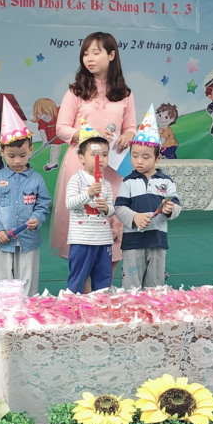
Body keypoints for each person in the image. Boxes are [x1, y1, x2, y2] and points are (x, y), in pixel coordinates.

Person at [51, 32, 137, 281]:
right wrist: (88, 133)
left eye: (96, 52)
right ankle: (85, 292)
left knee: (112, 221)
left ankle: (104, 291)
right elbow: (61, 129)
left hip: (113, 167)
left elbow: (131, 127)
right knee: (84, 220)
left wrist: (127, 136)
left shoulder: (125, 93)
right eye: (85, 53)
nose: (89, 58)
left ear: (111, 55)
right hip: (81, 164)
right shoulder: (75, 91)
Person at [0, 98, 51, 298]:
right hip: (2, 240)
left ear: (30, 149)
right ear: (2, 151)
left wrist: (37, 218)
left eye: (22, 154)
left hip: (29, 240)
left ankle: (27, 310)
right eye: (11, 156)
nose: (18, 160)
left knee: (28, 279)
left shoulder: (37, 179)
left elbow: (43, 204)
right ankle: (3, 311)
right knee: (2, 280)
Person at [115, 107, 181, 289]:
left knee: (155, 285)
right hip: (132, 242)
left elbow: (176, 204)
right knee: (131, 285)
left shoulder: (166, 182)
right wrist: (134, 217)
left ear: (158, 158)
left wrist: (169, 210)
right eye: (134, 156)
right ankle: (132, 306)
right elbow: (119, 208)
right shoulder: (128, 182)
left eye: (145, 157)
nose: (139, 161)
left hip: (158, 240)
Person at [63, 120, 115, 293]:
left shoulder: (106, 184)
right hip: (82, 239)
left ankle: (101, 303)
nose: (100, 159)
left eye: (105, 155)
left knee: (103, 276)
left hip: (103, 239)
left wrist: (106, 208)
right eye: (94, 155)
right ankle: (75, 303)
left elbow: (112, 209)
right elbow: (70, 204)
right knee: (78, 276)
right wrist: (89, 194)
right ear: (81, 158)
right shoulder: (76, 180)